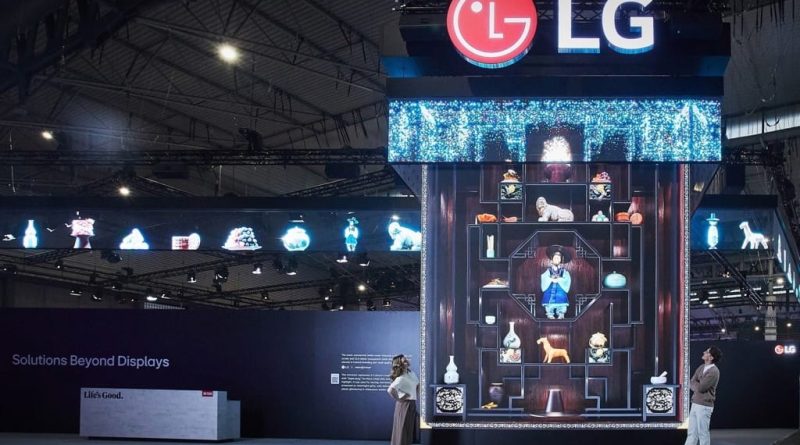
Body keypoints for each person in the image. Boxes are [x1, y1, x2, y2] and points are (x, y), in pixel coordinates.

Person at [685, 346, 722, 445]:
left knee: (703, 433)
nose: (704, 352)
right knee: (691, 433)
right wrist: (696, 385)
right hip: (695, 403)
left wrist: (695, 385)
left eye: (707, 352)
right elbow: (691, 381)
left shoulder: (714, 371)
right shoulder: (701, 367)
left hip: (704, 406)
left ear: (711, 357)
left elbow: (701, 388)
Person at [387, 354, 419, 445]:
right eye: (404, 361)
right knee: (402, 430)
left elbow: (417, 385)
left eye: (406, 360)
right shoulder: (401, 377)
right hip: (404, 405)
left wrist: (417, 394)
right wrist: (399, 399)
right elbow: (390, 390)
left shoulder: (411, 373)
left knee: (408, 430)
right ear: (400, 364)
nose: (407, 361)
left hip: (412, 404)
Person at [541, 245, 572, 319]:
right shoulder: (548, 271)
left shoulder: (564, 272)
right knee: (549, 306)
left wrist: (559, 279)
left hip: (560, 292)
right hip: (550, 292)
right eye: (555, 258)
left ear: (561, 260)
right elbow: (544, 277)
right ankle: (550, 314)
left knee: (561, 304)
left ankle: (561, 314)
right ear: (552, 259)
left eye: (558, 258)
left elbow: (567, 279)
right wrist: (550, 279)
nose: (557, 259)